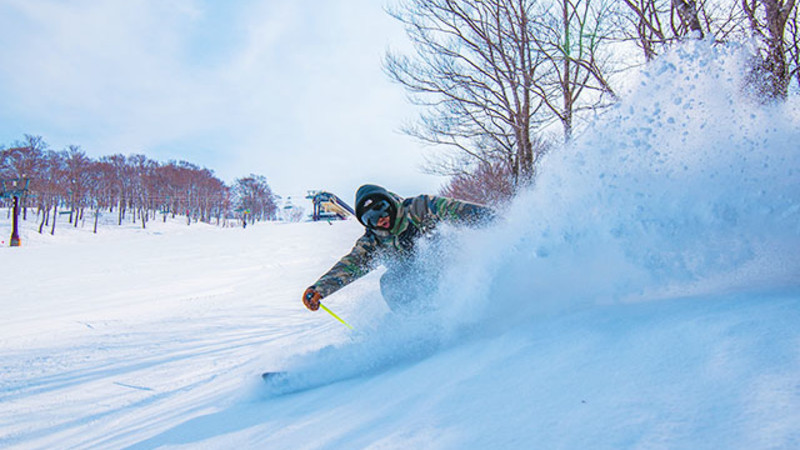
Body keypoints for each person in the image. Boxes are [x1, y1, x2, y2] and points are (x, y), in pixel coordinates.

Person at [302, 184, 495, 313]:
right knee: (390, 282)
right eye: (371, 219)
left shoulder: (419, 208)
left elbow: (458, 210)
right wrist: (320, 289)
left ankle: (463, 305)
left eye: (381, 210)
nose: (381, 220)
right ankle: (416, 325)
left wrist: (503, 224)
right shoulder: (373, 241)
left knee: (432, 251)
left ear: (390, 203)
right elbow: (351, 264)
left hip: (450, 263)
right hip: (418, 279)